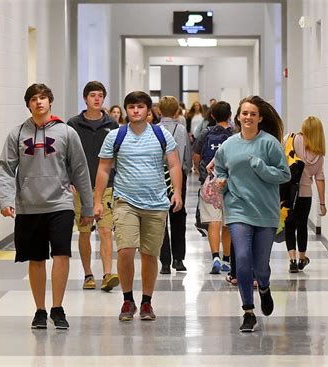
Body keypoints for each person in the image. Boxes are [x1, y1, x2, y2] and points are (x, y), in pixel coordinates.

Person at [0, 83, 93, 330]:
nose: (38, 102)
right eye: (33, 99)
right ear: (28, 104)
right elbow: (6, 169)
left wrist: (88, 208)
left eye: (43, 98)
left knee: (61, 254)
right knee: (36, 259)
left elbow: (80, 170)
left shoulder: (66, 132)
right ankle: (40, 310)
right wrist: (6, 199)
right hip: (29, 206)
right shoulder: (17, 134)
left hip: (60, 203)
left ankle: (57, 308)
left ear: (50, 102)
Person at [94, 91, 183, 322]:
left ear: (149, 111)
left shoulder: (161, 134)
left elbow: (174, 164)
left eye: (140, 107)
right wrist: (97, 201)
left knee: (150, 254)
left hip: (156, 203)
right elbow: (103, 169)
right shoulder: (116, 136)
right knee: (125, 250)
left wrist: (178, 193)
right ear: (126, 110)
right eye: (131, 107)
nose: (136, 111)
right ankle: (127, 299)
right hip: (125, 202)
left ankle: (146, 301)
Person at [214, 95, 290, 332]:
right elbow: (218, 168)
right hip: (237, 209)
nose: (248, 117)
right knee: (243, 258)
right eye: (244, 113)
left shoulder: (269, 144)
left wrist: (260, 166)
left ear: (259, 118)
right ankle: (248, 311)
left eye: (253, 114)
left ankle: (265, 287)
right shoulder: (228, 145)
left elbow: (284, 175)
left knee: (260, 265)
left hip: (265, 211)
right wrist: (221, 181)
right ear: (238, 116)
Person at [67, 81, 120, 291]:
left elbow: (118, 156)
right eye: (92, 95)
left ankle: (107, 274)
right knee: (85, 231)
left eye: (100, 95)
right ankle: (88, 274)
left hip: (106, 186)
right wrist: (69, 179)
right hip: (81, 186)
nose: (96, 99)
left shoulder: (112, 125)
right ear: (85, 99)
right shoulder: (73, 125)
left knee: (106, 230)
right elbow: (66, 155)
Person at [193, 101, 233, 274]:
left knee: (213, 221)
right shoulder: (235, 135)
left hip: (210, 183)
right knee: (227, 222)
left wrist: (201, 173)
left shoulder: (205, 133)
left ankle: (215, 256)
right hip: (231, 184)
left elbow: (196, 156)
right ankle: (227, 259)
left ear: (213, 116)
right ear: (230, 115)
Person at [285, 116, 326, 272]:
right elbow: (320, 179)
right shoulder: (319, 154)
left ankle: (292, 260)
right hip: (305, 194)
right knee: (302, 226)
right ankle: (302, 259)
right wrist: (322, 204)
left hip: (289, 192)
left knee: (290, 225)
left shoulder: (291, 139)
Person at [158, 96, 191, 274]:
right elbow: (186, 155)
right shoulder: (181, 129)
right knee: (178, 214)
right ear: (177, 112)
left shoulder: (153, 130)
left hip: (158, 176)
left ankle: (164, 260)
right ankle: (178, 259)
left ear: (158, 111)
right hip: (178, 176)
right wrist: (185, 171)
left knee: (160, 216)